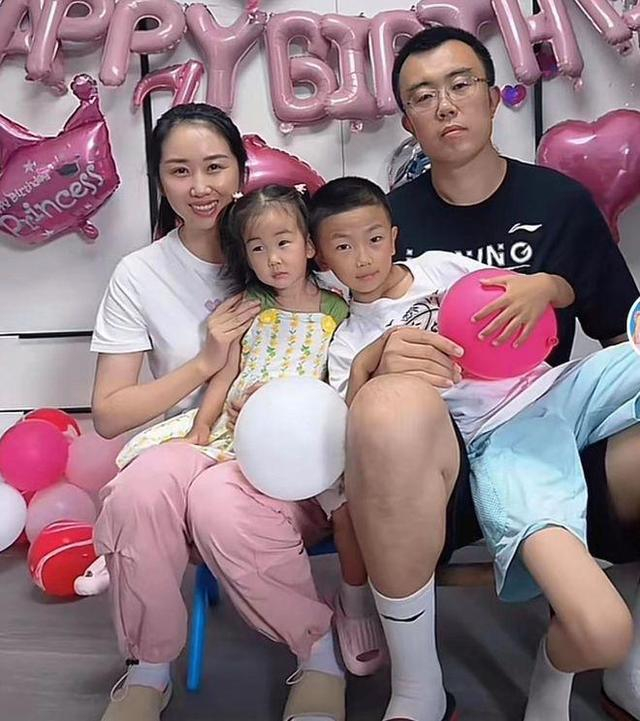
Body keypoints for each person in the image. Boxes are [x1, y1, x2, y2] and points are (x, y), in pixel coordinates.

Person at [310, 176, 639, 721]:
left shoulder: (439, 267)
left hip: (558, 386)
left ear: (394, 237)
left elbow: (552, 292)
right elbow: (362, 440)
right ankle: (536, 672)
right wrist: (372, 368)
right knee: (599, 625)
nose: (363, 258)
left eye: (374, 239)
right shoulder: (349, 340)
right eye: (343, 247)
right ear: (322, 259)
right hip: (499, 436)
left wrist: (545, 286)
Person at [384, 25, 640, 721]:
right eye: (422, 96)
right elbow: (351, 344)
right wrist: (382, 359)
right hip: (442, 453)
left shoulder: (559, 204)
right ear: (407, 121)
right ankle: (416, 685)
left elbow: (618, 335)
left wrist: (553, 286)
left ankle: (624, 647)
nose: (445, 105)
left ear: (495, 98)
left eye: (460, 84)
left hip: (552, 431)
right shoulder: (388, 226)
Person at [90, 107, 352, 721]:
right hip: (196, 439)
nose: (199, 186)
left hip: (284, 460)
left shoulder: (291, 254)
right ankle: (148, 669)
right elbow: (109, 414)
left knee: (220, 500)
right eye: (179, 171)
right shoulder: (140, 274)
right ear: (159, 180)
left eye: (214, 167)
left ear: (240, 170)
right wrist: (206, 361)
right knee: (139, 490)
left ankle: (318, 655)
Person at [113, 183, 387, 679]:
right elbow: (225, 374)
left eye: (283, 243)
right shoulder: (248, 308)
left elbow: (342, 380)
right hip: (234, 429)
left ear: (309, 246)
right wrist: (201, 426)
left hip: (302, 442)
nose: (273, 259)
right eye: (258, 249)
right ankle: (119, 563)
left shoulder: (336, 310)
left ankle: (354, 602)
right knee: (148, 480)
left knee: (346, 506)